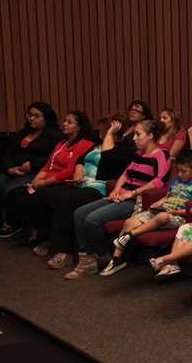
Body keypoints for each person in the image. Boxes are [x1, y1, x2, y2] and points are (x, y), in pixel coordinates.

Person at [65, 119, 172, 279]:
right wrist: (116, 190)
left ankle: (101, 255)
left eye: (138, 134)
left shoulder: (162, 154)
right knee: (78, 213)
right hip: (120, 196)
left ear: (150, 136)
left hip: (134, 201)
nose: (134, 138)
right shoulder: (139, 154)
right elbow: (124, 174)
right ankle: (88, 257)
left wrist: (131, 193)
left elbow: (159, 182)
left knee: (91, 220)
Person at [31, 114, 135, 268]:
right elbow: (81, 159)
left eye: (102, 131)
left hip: (101, 187)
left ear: (110, 132)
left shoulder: (124, 148)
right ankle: (46, 240)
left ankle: (65, 252)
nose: (98, 134)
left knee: (64, 201)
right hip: (82, 182)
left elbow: (107, 157)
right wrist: (78, 171)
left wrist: (110, 135)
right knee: (43, 196)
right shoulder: (98, 144)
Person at [101, 149, 192, 276]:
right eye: (177, 170)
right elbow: (167, 196)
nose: (179, 174)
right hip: (162, 210)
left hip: (178, 216)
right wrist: (157, 204)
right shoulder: (175, 179)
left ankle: (130, 235)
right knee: (130, 221)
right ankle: (117, 259)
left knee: (162, 217)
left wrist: (176, 212)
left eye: (183, 171)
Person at [2, 111, 95, 252]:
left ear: (80, 127)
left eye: (69, 122)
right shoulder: (62, 142)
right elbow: (48, 164)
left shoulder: (84, 143)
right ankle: (36, 232)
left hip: (65, 182)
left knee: (41, 197)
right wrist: (38, 178)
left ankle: (44, 238)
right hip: (48, 179)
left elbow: (70, 171)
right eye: (64, 121)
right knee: (17, 194)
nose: (64, 124)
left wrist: (43, 183)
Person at [0, 102, 63, 238]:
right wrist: (10, 169)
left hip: (38, 171)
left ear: (46, 117)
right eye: (30, 115)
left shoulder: (55, 134)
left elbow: (56, 157)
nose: (31, 118)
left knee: (8, 190)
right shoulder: (24, 132)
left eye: (36, 116)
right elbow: (9, 153)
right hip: (15, 169)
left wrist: (32, 164)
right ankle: (2, 222)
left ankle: (14, 222)